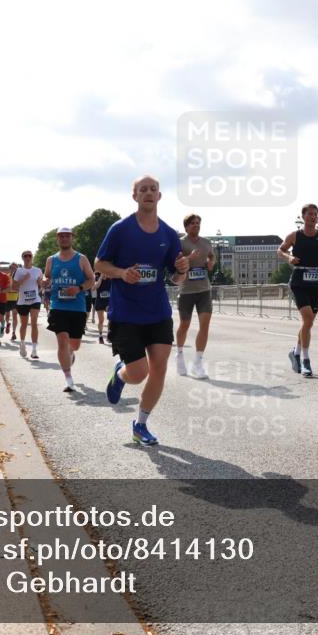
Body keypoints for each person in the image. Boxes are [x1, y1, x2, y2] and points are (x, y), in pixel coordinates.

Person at [95, 175, 189, 446]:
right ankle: (121, 372)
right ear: (134, 196)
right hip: (126, 313)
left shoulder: (169, 235)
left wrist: (182, 271)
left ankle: (140, 424)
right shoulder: (120, 229)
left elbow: (175, 278)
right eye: (142, 189)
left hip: (157, 311)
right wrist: (122, 273)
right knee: (139, 374)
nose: (148, 193)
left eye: (153, 189)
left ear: (159, 196)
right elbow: (100, 263)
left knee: (159, 368)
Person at [279, 203, 318, 377]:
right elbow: (280, 250)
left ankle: (295, 352)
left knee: (308, 323)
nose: (313, 217)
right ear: (303, 217)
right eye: (310, 214)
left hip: (316, 282)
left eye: (315, 214)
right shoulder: (295, 236)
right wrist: (289, 257)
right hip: (298, 281)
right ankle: (305, 360)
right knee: (308, 318)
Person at [43, 228, 96, 392]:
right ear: (57, 239)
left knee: (74, 344)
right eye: (61, 236)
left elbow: (92, 279)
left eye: (67, 236)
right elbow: (47, 276)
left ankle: (71, 353)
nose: (64, 239)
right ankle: (68, 378)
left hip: (77, 307)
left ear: (72, 238)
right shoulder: (51, 260)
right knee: (62, 341)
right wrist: (45, 281)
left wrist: (79, 288)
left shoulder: (81, 259)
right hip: (58, 305)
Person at [175, 214, 215, 379]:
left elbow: (211, 256)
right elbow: (176, 262)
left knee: (204, 326)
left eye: (198, 223)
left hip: (204, 289)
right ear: (186, 227)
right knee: (184, 324)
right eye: (192, 223)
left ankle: (198, 362)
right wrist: (189, 258)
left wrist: (211, 262)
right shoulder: (181, 243)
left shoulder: (206, 242)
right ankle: (179, 354)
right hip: (186, 290)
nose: (196, 225)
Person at [13, 250, 44, 359]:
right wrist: (23, 279)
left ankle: (34, 350)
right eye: (25, 256)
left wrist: (41, 283)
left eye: (29, 256)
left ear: (32, 258)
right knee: (24, 324)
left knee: (34, 322)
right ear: (22, 258)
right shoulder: (18, 271)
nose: (27, 257)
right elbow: (14, 287)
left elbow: (41, 285)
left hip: (35, 300)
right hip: (22, 301)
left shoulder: (38, 271)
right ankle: (22, 344)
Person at [92, 271, 110, 344]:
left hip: (108, 301)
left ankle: (109, 334)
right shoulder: (97, 277)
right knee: (101, 320)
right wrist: (101, 278)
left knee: (110, 318)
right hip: (100, 301)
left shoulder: (110, 279)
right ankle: (100, 335)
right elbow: (94, 288)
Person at [5, 264, 19, 340]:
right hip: (7, 298)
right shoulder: (6, 277)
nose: (13, 269)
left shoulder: (19, 277)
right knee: (7, 315)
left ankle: (14, 332)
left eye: (15, 268)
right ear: (9, 269)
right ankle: (7, 324)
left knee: (14, 315)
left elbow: (20, 287)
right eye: (12, 268)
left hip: (16, 298)